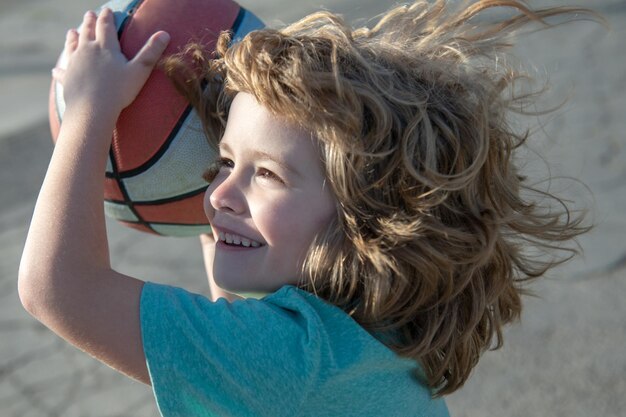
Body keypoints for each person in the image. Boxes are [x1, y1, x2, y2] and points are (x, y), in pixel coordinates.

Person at [19, 1, 597, 416]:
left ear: (366, 216)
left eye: (265, 173)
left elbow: (56, 287)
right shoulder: (371, 338)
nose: (218, 193)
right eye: (221, 163)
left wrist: (89, 112)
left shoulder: (293, 363)